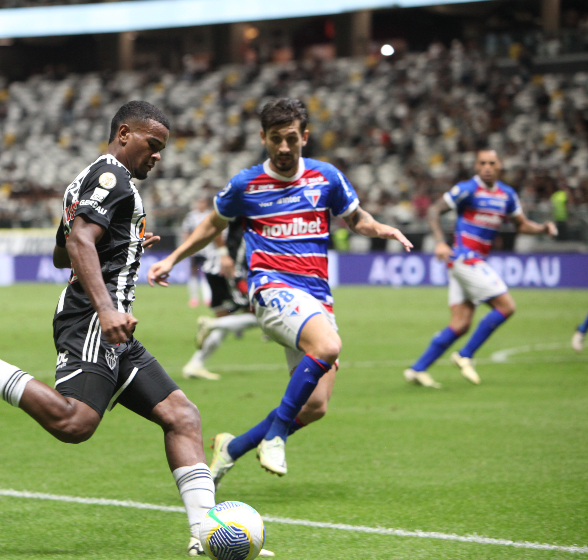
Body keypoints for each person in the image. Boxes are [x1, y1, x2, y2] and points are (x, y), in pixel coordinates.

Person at [0, 101, 274, 558]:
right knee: (75, 423)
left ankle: (204, 536)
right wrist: (107, 308)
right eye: (151, 145)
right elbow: (78, 243)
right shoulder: (112, 177)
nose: (157, 156)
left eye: (162, 150)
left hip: (111, 324)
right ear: (123, 134)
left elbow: (63, 251)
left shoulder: (89, 179)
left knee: (182, 416)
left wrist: (128, 240)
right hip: (95, 318)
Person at [148, 98, 413, 484]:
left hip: (316, 295)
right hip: (270, 288)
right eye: (276, 139)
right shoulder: (246, 183)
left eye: (292, 138)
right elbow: (210, 225)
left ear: (305, 136)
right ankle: (274, 437)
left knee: (317, 405)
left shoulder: (326, 177)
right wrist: (172, 258)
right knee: (328, 347)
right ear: (263, 138)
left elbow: (356, 218)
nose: (284, 147)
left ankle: (231, 448)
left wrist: (381, 228)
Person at [404, 150, 557, 388]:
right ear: (476, 166)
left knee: (460, 324)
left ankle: (418, 369)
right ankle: (465, 355)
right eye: (482, 163)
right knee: (506, 306)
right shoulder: (466, 189)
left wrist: (542, 229)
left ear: (500, 166)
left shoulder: (507, 194)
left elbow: (521, 225)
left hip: (472, 262)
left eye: (492, 163)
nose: (487, 167)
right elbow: (434, 210)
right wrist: (440, 241)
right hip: (465, 259)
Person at [183, 218, 260, 381]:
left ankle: (194, 365)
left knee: (226, 320)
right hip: (228, 270)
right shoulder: (244, 205)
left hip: (216, 269)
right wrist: (224, 254)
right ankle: (210, 324)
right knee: (257, 316)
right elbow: (216, 224)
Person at [180, 198, 212, 308]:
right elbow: (186, 231)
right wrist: (187, 246)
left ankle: (207, 297)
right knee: (193, 272)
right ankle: (194, 298)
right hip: (194, 249)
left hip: (207, 249)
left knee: (206, 272)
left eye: (203, 202)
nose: (200, 204)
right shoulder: (191, 216)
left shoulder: (210, 215)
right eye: (199, 202)